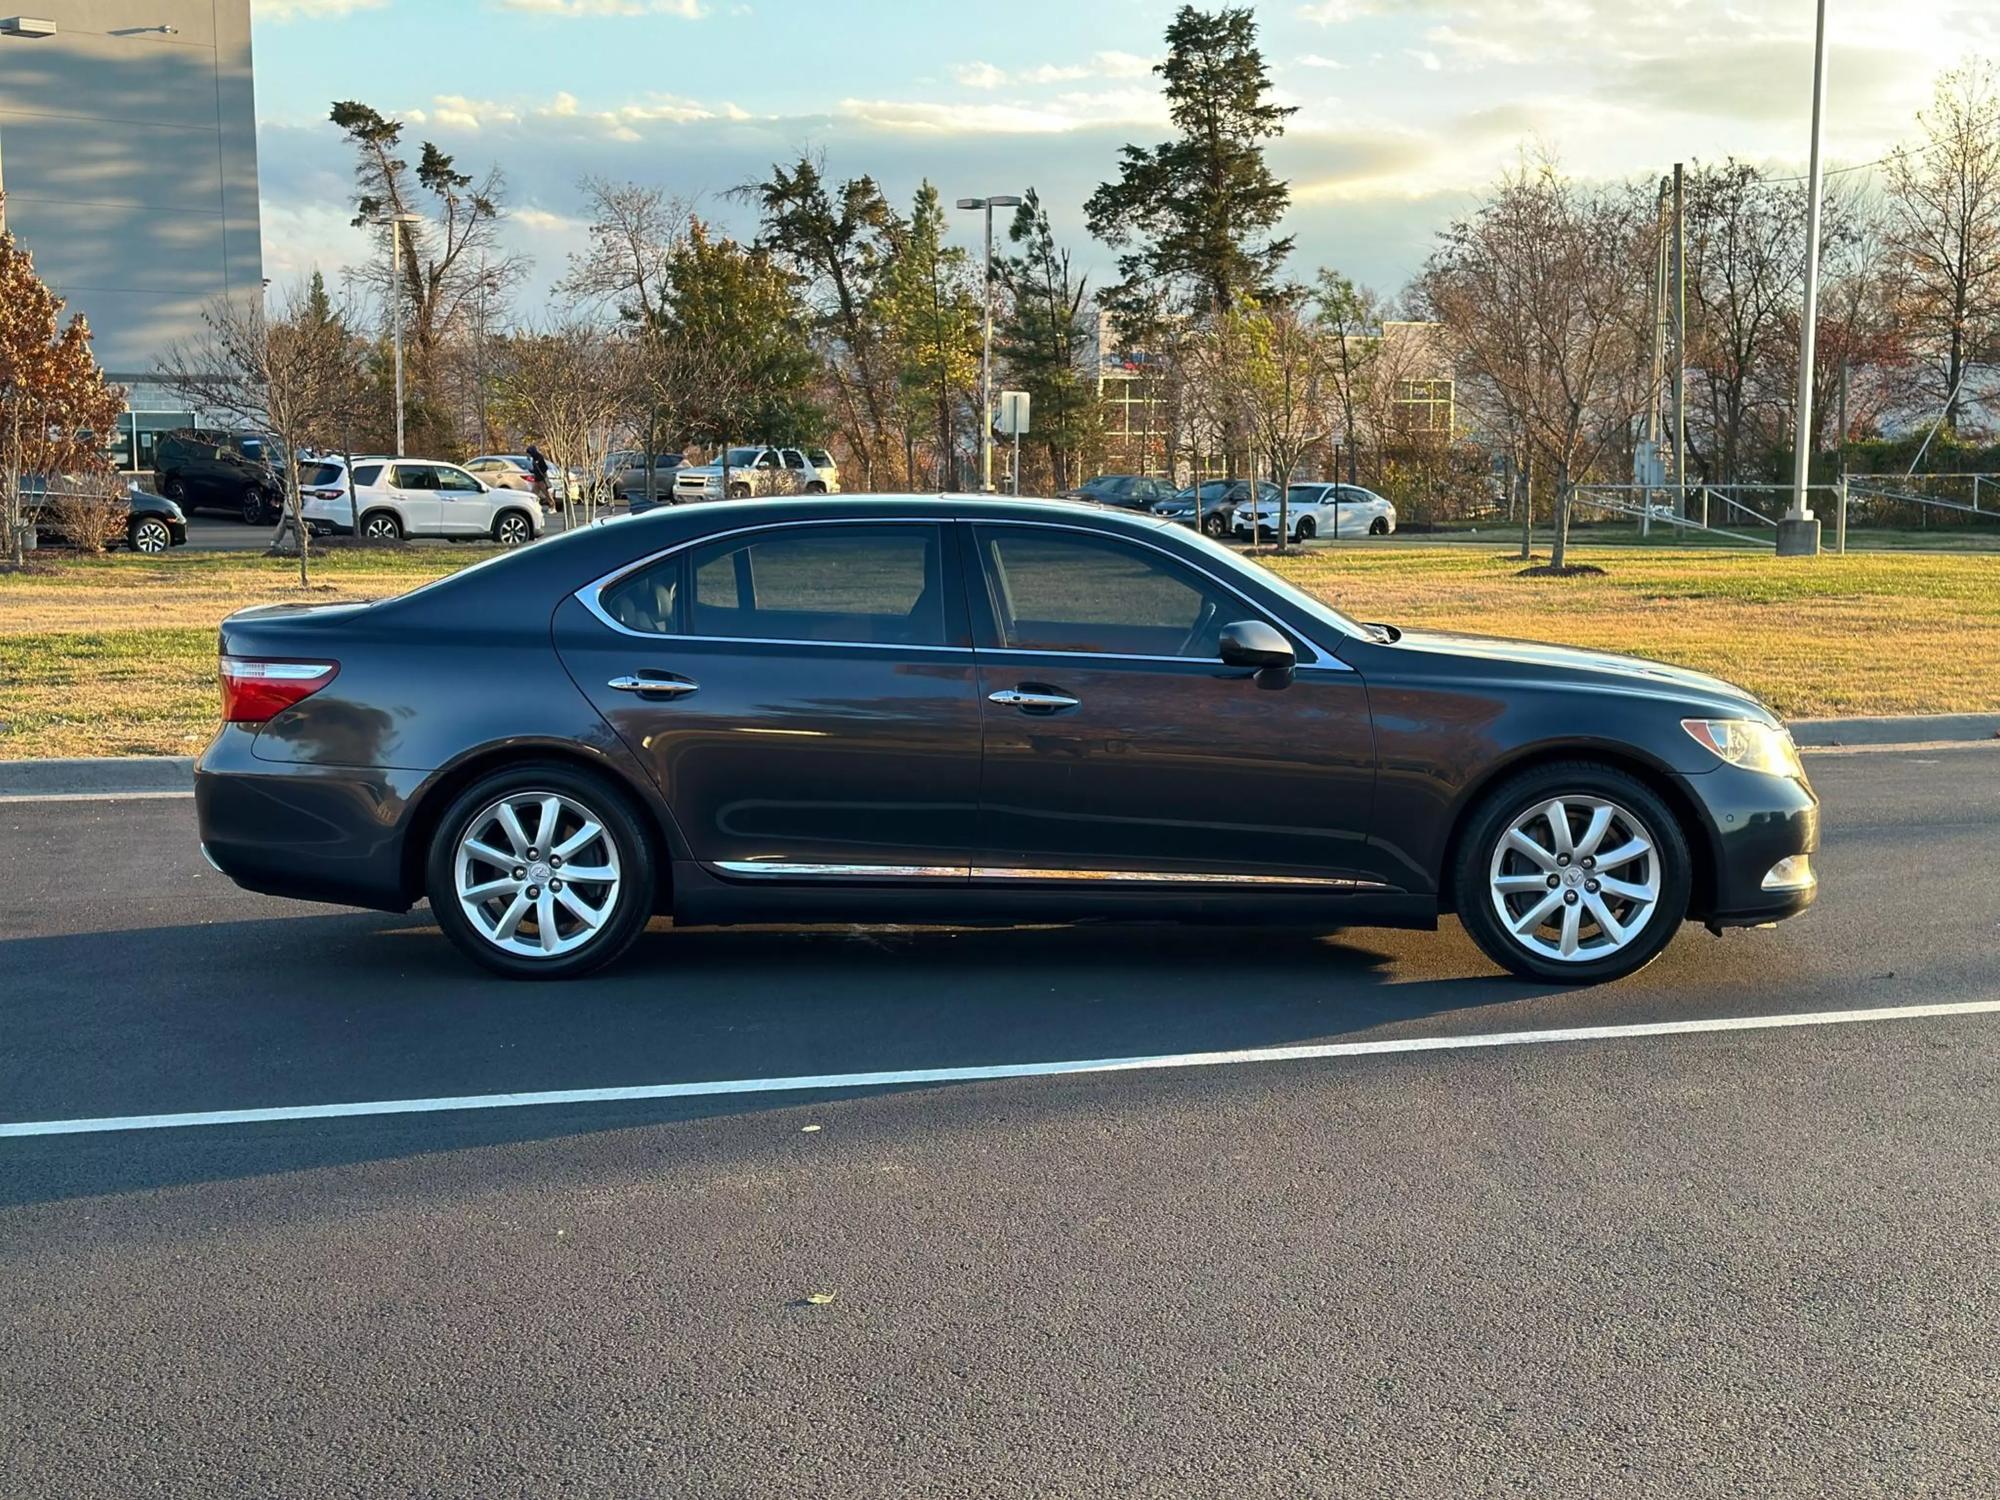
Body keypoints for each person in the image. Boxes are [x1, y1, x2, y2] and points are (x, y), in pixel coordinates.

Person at [524, 443, 553, 509]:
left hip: (541, 479)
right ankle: (532, 505)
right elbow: (536, 468)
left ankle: (552, 505)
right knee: (533, 493)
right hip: (537, 479)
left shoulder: (539, 457)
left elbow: (544, 467)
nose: (529, 454)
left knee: (546, 493)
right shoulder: (533, 459)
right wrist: (532, 471)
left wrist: (541, 473)